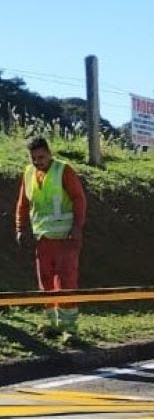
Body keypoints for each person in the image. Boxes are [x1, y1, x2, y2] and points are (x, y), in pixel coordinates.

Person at [14, 136, 87, 341]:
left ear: (49, 153)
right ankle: (52, 323)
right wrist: (20, 228)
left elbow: (78, 199)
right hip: (43, 238)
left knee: (66, 281)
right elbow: (23, 204)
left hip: (66, 238)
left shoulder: (64, 170)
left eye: (41, 156)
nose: (38, 161)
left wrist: (77, 227)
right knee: (45, 281)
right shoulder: (28, 173)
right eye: (34, 158)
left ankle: (69, 328)